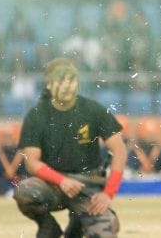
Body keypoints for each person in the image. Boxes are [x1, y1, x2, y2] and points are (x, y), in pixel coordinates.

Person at [13, 57, 125, 237]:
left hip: (87, 185)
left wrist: (108, 194)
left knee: (105, 232)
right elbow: (31, 163)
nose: (67, 85)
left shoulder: (93, 110)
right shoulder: (36, 116)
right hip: (52, 185)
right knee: (25, 192)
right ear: (49, 84)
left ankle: (79, 223)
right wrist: (61, 181)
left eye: (71, 79)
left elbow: (119, 151)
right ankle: (48, 227)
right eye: (60, 80)